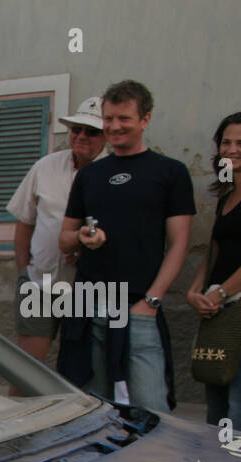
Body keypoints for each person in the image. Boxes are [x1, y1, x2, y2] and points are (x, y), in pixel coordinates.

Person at [59, 79, 194, 412]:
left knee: (152, 409)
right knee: (91, 407)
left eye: (124, 119)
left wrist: (152, 300)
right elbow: (64, 238)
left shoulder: (170, 172)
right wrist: (82, 238)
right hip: (89, 304)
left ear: (145, 119)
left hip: (139, 306)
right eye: (109, 119)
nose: (114, 126)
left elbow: (180, 244)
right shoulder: (89, 175)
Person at [185, 111, 241, 436]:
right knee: (216, 390)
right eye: (226, 142)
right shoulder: (226, 193)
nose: (231, 149)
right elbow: (213, 250)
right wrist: (194, 292)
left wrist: (220, 293)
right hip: (216, 304)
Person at [6, 96, 107, 372]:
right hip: (40, 282)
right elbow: (25, 221)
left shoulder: (114, 173)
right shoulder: (45, 166)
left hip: (90, 289)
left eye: (92, 131)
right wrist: (24, 269)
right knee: (26, 370)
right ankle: (22, 416)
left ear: (107, 135)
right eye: (77, 129)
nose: (82, 136)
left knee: (83, 373)